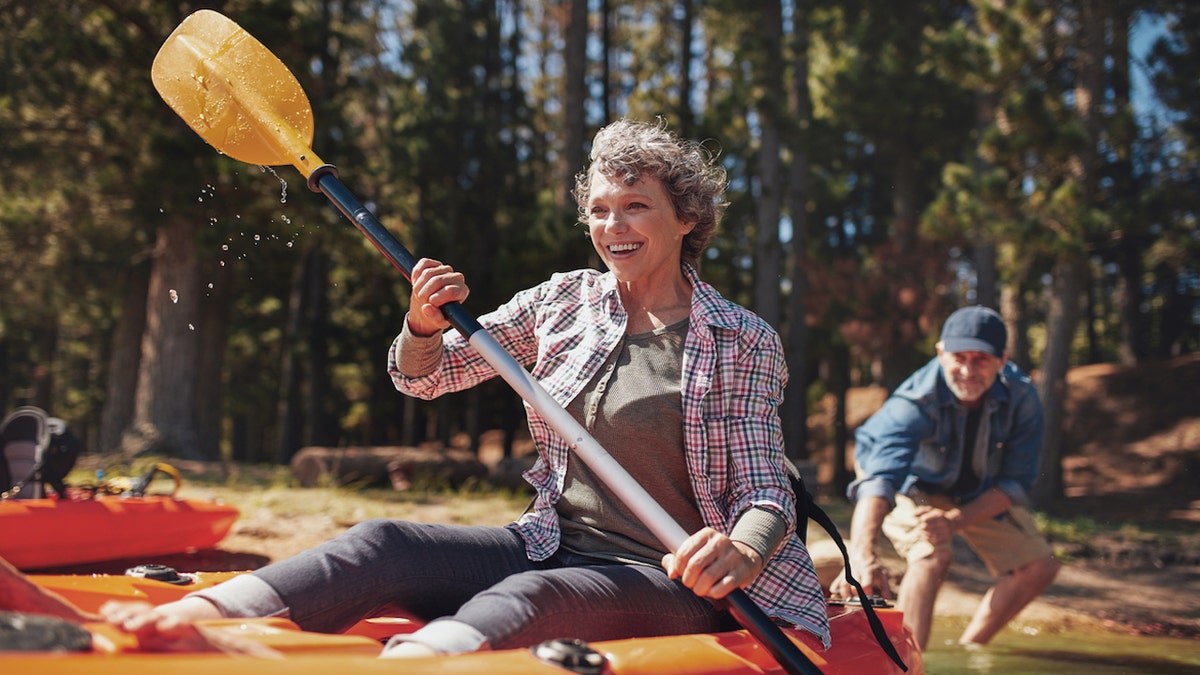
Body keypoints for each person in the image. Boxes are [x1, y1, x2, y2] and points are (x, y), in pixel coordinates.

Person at [14, 118, 828, 656]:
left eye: (636, 207)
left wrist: (743, 548)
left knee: (534, 595)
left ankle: (407, 669)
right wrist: (425, 325)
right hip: (554, 535)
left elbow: (765, 491)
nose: (613, 227)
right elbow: (427, 380)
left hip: (674, 578)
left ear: (686, 218)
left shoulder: (737, 338)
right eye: (601, 209)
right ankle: (182, 624)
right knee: (382, 543)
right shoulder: (562, 302)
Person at [830, 306, 1060, 650]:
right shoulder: (915, 400)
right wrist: (864, 556)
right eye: (959, 357)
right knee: (931, 554)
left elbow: (1015, 483)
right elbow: (880, 480)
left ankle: (970, 650)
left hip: (970, 489)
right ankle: (907, 661)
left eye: (981, 359)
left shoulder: (1023, 396)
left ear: (1002, 360)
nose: (968, 370)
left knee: (1039, 566)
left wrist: (954, 521)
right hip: (907, 480)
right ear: (940, 353)